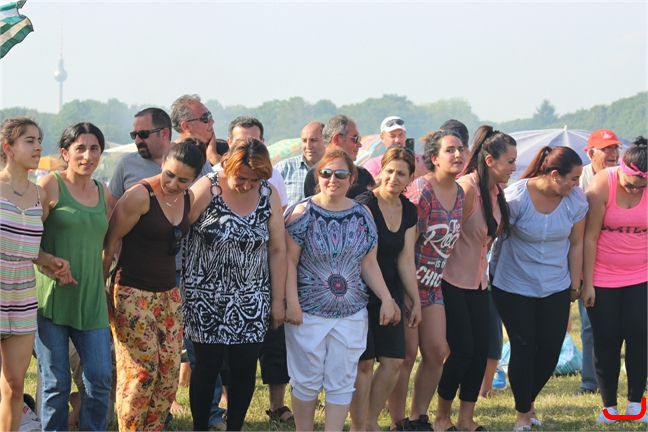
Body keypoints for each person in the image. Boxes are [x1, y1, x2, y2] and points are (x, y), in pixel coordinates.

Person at [284, 148, 396, 432]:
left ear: (352, 178)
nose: (333, 179)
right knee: (306, 381)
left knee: (343, 381)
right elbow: (288, 261)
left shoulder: (363, 215)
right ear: (317, 177)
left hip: (352, 312)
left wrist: (386, 298)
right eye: (326, 173)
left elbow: (368, 263)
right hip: (308, 312)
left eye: (341, 174)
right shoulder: (301, 213)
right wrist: (291, 303)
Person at [183, 137, 287, 431]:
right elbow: (179, 226)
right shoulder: (208, 187)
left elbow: (277, 249)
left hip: (251, 296)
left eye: (255, 180)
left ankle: (235, 427)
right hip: (205, 295)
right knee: (208, 365)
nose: (247, 185)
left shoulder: (268, 194)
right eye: (241, 178)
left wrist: (277, 301)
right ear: (228, 165)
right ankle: (200, 427)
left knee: (245, 366)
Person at [102, 139, 206, 431]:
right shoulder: (140, 195)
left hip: (169, 295)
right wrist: (101, 290)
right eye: (169, 174)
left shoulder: (188, 198)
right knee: (141, 372)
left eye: (183, 180)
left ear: (194, 179)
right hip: (132, 292)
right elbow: (109, 243)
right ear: (163, 164)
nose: (173, 184)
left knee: (168, 373)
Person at [490, 146, 587, 431]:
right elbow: (495, 237)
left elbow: (577, 243)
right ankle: (523, 414)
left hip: (555, 284)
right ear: (555, 175)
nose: (577, 184)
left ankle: (527, 400)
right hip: (513, 283)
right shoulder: (516, 197)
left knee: (551, 348)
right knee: (524, 345)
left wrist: (575, 285)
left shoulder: (575, 201)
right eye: (573, 178)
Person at [434, 126, 517, 431]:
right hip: (451, 281)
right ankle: (441, 417)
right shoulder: (467, 189)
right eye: (510, 161)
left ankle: (466, 419)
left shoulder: (496, 193)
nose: (514, 167)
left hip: (479, 283)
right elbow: (446, 238)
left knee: (481, 351)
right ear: (490, 160)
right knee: (462, 351)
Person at [34, 122, 113, 431]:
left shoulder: (104, 193)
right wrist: (48, 263)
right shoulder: (50, 185)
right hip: (51, 300)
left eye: (94, 148)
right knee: (56, 384)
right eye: (80, 148)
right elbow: (27, 238)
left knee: (100, 379)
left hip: (91, 301)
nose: (88, 155)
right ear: (65, 153)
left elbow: (112, 242)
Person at [0, 117, 73, 432]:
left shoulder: (39, 195)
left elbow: (29, 248)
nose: (38, 147)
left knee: (15, 385)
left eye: (39, 140)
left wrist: (50, 261)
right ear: (8, 148)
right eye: (29, 140)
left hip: (22, 296)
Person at [391, 130, 466, 431]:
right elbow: (404, 248)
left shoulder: (460, 193)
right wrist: (408, 294)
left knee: (436, 352)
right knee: (406, 356)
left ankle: (418, 418)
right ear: (434, 158)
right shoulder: (421, 191)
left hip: (434, 285)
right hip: (407, 284)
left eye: (461, 149)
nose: (458, 154)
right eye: (450, 150)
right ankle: (397, 422)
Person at [350, 146, 422, 432]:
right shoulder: (365, 204)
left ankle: (370, 420)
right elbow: (364, 259)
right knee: (365, 363)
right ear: (380, 172)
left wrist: (414, 301)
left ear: (410, 178)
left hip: (390, 292)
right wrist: (385, 299)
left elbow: (405, 261)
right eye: (389, 171)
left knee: (394, 361)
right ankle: (359, 426)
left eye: (401, 173)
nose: (394, 178)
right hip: (359, 291)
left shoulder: (409, 210)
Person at [581, 137, 647, 423]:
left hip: (641, 275)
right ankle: (609, 407)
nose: (634, 190)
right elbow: (589, 237)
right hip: (603, 275)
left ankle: (635, 405)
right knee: (607, 339)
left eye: (641, 187)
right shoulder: (602, 184)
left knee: (640, 337)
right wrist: (587, 283)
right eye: (630, 184)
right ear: (621, 169)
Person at [574, 128, 621, 396]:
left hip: (621, 259)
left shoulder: (625, 176)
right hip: (587, 261)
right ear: (591, 153)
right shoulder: (579, 180)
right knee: (590, 323)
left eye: (615, 148)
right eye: (607, 149)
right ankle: (589, 382)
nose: (613, 154)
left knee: (634, 324)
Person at [109, 107, 173, 205]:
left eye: (143, 134)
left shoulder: (188, 162)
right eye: (134, 135)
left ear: (164, 134)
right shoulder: (126, 164)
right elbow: (111, 206)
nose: (137, 141)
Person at [303, 115, 376, 198]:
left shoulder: (363, 175)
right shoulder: (314, 176)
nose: (359, 145)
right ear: (337, 139)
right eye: (355, 139)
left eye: (341, 174)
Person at [275, 121, 326, 206]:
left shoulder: (334, 170)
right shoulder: (284, 168)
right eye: (304, 141)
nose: (308, 146)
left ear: (326, 141)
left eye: (313, 140)